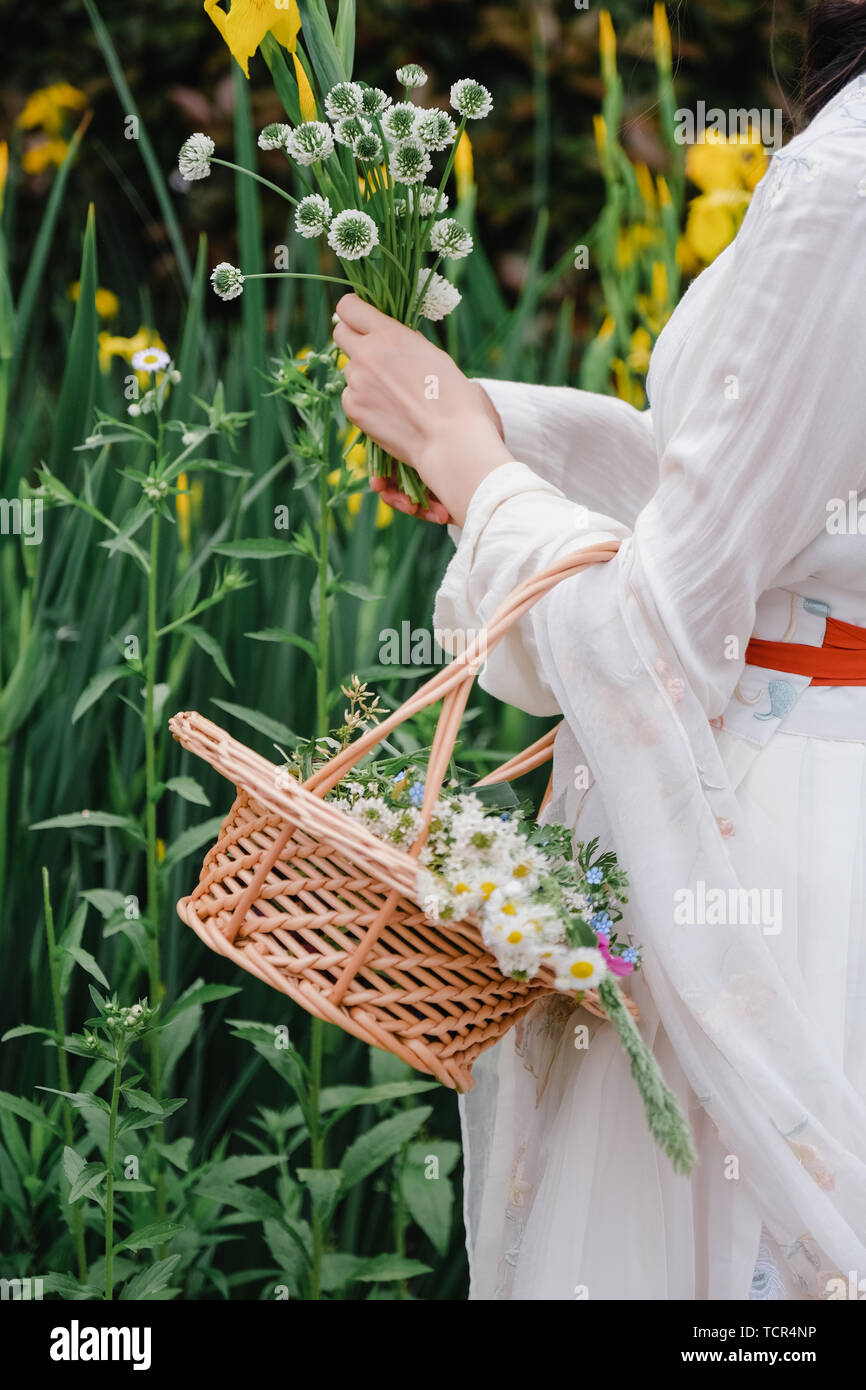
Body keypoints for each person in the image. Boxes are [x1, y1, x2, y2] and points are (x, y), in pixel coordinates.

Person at [332, 13, 866, 1301]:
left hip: (770, 845)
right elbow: (792, 527)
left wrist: (479, 470)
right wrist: (501, 441)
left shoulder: (842, 179)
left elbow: (655, 636)